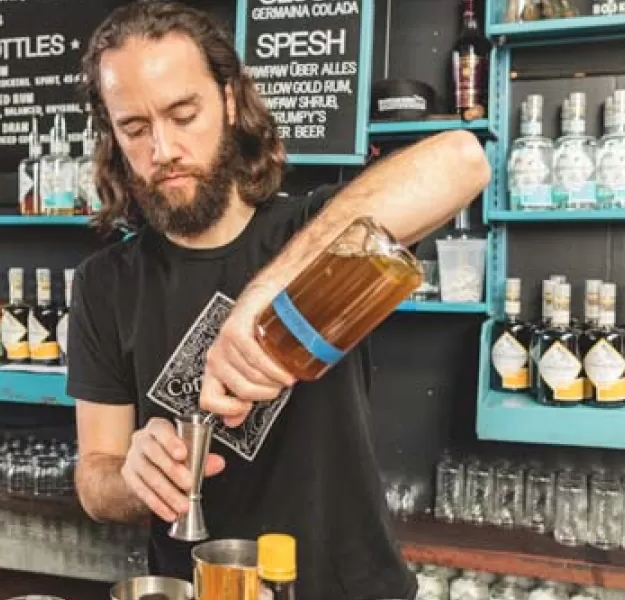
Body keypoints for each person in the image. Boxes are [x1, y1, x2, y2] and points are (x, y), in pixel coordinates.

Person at [67, 2, 490, 598]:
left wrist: (262, 294)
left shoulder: (315, 233)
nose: (162, 149)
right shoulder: (103, 284)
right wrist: (132, 478)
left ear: (231, 102)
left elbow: (463, 161)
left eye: (184, 114)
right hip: (200, 588)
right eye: (134, 128)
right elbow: (95, 478)